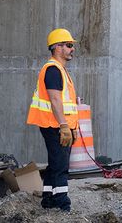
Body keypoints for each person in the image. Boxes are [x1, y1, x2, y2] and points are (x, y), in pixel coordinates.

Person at [26, 28, 79, 211]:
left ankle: (48, 199)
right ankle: (62, 203)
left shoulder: (60, 70)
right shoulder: (53, 70)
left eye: (72, 46)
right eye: (69, 45)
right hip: (54, 125)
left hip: (60, 125)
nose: (72, 49)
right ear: (57, 47)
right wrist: (64, 126)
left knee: (55, 163)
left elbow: (67, 104)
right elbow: (55, 100)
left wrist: (72, 127)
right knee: (60, 166)